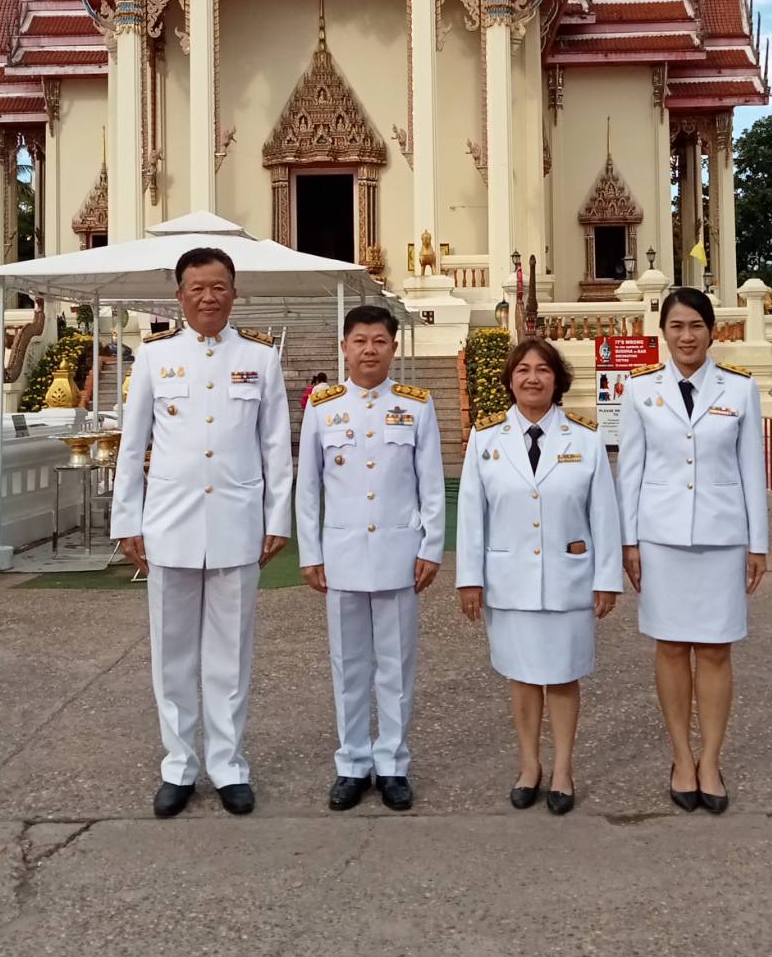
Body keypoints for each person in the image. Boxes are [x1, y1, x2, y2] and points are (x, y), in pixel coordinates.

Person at [111, 247, 292, 819]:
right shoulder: (155, 358)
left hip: (237, 523)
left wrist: (277, 517)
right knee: (172, 655)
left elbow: (274, 446)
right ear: (179, 296)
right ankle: (179, 766)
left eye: (219, 287)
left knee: (230, 654)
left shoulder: (260, 358)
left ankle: (230, 765)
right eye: (197, 287)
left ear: (234, 293)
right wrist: (127, 519)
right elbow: (132, 443)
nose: (208, 296)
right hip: (169, 523)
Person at [616, 287, 769, 815]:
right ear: (664, 332)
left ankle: (711, 759)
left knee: (718, 649)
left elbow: (752, 468)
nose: (686, 336)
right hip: (661, 539)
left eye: (696, 326)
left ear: (712, 332)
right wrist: (628, 540)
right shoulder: (640, 392)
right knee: (671, 647)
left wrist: (758, 543)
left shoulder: (739, 390)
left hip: (723, 537)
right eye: (676, 326)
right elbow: (630, 469)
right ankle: (681, 757)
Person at [456, 338, 622, 814]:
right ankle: (530, 765)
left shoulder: (584, 439)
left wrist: (606, 578)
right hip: (509, 579)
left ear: (558, 379)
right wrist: (470, 577)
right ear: (509, 379)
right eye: (523, 369)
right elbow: (471, 514)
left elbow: (604, 515)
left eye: (543, 370)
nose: (533, 378)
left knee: (565, 676)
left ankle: (564, 768)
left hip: (569, 579)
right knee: (524, 677)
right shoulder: (486, 440)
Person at [296, 304, 445, 812]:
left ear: (393, 348)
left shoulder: (416, 404)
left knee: (396, 666)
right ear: (343, 347)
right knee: (348, 664)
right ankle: (352, 763)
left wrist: (431, 545)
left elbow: (431, 482)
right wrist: (310, 551)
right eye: (359, 341)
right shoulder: (322, 405)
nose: (369, 350)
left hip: (399, 553)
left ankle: (394, 763)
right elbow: (308, 486)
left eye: (379, 341)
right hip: (341, 552)